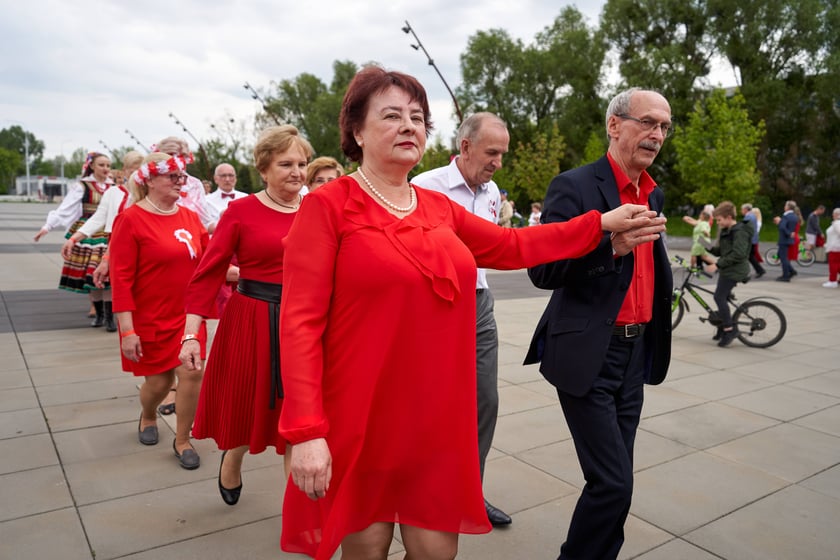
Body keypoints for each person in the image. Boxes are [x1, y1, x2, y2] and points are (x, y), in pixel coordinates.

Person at [276, 66, 663, 560]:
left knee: (437, 550)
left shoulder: (438, 207)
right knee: (367, 546)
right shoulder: (328, 207)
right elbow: (299, 324)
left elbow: (512, 245)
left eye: (417, 117)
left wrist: (599, 224)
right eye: (391, 115)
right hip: (363, 409)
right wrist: (307, 433)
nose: (409, 126)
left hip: (437, 412)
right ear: (356, 131)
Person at [524, 87, 673, 560]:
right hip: (589, 352)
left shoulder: (652, 189)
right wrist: (609, 248)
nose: (657, 134)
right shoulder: (576, 186)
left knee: (617, 481)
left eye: (664, 127)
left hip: (635, 353)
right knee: (612, 483)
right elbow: (543, 271)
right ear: (614, 125)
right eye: (647, 122)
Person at [179, 125, 311, 505]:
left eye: (302, 163)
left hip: (304, 321)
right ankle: (233, 458)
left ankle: (302, 517)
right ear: (264, 168)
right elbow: (206, 274)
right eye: (286, 163)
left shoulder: (318, 209)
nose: (297, 172)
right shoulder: (240, 211)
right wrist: (191, 335)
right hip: (250, 319)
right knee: (246, 407)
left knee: (300, 417)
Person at [412, 111, 513, 527]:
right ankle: (419, 492)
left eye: (503, 154)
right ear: (465, 146)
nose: (498, 163)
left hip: (479, 304)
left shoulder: (491, 193)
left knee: (484, 401)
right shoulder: (423, 186)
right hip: (433, 307)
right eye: (492, 152)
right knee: (430, 406)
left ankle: (469, 493)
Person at [109, 152, 209, 470]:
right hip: (150, 318)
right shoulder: (131, 219)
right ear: (150, 181)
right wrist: (127, 330)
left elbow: (210, 260)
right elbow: (121, 280)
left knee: (192, 374)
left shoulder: (191, 218)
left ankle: (182, 439)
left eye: (183, 177)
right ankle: (149, 414)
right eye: (173, 177)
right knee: (159, 384)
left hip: (188, 316)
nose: (181, 182)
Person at [34, 151, 114, 328]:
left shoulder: (114, 187)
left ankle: (109, 318)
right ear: (92, 166)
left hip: (109, 232)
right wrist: (47, 227)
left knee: (110, 277)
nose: (106, 169)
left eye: (108, 165)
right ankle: (100, 315)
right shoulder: (82, 186)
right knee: (93, 276)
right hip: (89, 233)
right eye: (101, 165)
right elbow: (65, 208)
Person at [707, 201, 752, 346]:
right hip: (729, 269)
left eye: (719, 220)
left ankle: (729, 329)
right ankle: (722, 326)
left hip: (736, 270)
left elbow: (738, 254)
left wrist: (717, 264)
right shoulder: (729, 230)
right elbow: (721, 251)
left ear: (728, 217)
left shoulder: (739, 231)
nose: (718, 223)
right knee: (722, 297)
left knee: (719, 297)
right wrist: (704, 243)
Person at [773, 200, 799, 282]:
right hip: (790, 239)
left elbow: (782, 227)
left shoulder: (786, 216)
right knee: (782, 256)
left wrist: (787, 232)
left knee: (784, 258)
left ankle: (786, 275)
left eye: (785, 205)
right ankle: (791, 271)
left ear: (787, 207)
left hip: (784, 239)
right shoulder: (795, 216)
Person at [741, 203, 765, 278]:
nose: (741, 211)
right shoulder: (752, 216)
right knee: (750, 257)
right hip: (753, 239)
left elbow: (744, 229)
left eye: (742, 209)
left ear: (745, 209)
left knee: (747, 256)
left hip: (749, 240)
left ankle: (746, 272)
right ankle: (760, 270)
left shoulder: (748, 217)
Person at [822, 207, 840, 288]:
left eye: (833, 213)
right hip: (834, 246)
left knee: (833, 265)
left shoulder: (837, 223)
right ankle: (833, 280)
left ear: (837, 214)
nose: (832, 215)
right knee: (837, 265)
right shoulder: (836, 223)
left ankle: (832, 281)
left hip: (834, 247)